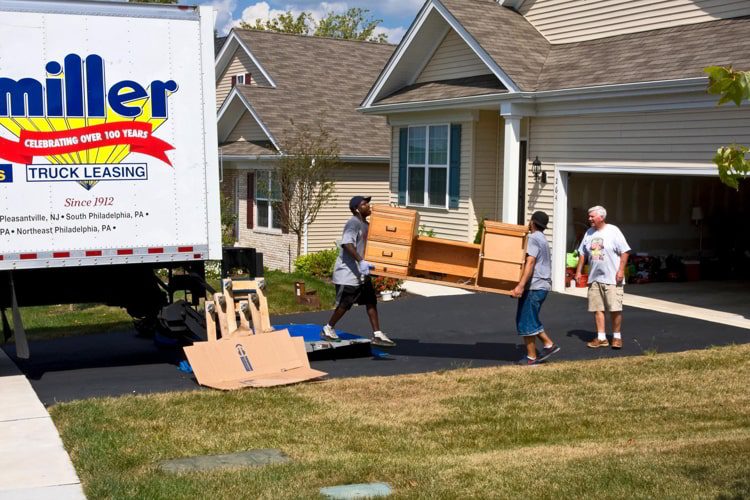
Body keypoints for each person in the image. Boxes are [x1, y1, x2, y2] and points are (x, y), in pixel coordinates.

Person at [321, 195, 396, 347]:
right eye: (364, 204)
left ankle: (377, 334)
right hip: (348, 273)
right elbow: (347, 244)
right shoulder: (353, 223)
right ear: (356, 209)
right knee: (345, 304)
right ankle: (328, 329)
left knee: (371, 301)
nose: (369, 206)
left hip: (362, 272)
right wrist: (361, 261)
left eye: (368, 203)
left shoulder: (366, 225)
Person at [575, 205, 631, 349]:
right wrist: (578, 271)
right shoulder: (589, 233)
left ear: (601, 217)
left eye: (592, 216)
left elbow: (625, 251)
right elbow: (582, 253)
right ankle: (601, 338)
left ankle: (617, 337)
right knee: (597, 308)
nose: (589, 219)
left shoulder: (613, 231)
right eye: (589, 216)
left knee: (615, 308)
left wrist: (620, 271)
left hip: (612, 278)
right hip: (594, 278)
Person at [511, 211, 560, 365]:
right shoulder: (543, 239)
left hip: (535, 285)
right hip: (541, 285)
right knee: (527, 319)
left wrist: (520, 285)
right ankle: (545, 347)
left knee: (526, 321)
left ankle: (536, 354)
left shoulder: (532, 238)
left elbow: (530, 262)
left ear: (532, 222)